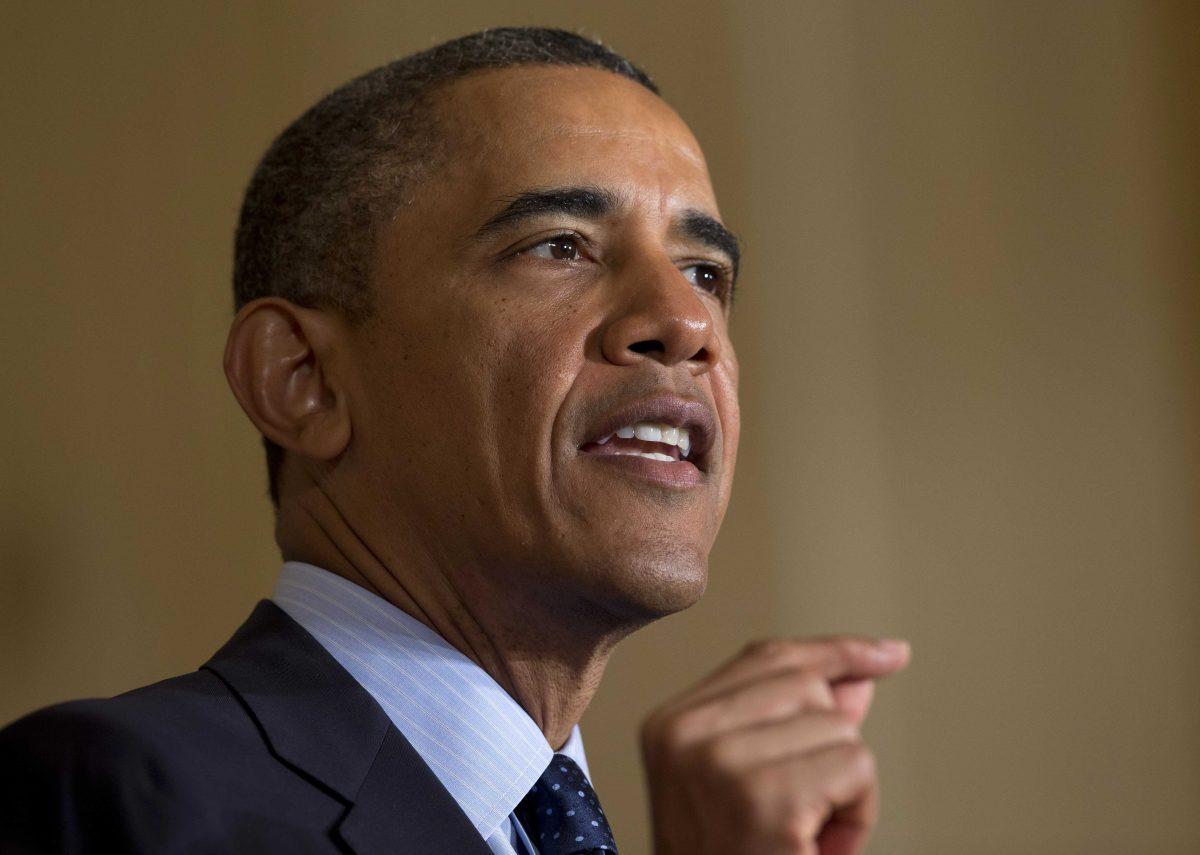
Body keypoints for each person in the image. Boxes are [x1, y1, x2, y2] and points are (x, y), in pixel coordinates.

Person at [0, 27, 910, 855]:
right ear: (302, 379)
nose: (683, 319)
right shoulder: (114, 796)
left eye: (706, 272)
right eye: (560, 245)